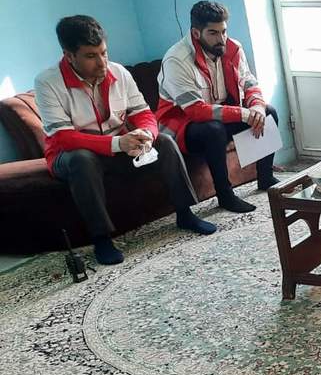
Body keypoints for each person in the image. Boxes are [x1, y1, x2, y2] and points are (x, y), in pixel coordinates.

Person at [34, 15, 215, 265]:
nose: (102, 63)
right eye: (91, 56)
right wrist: (119, 143)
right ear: (69, 56)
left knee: (164, 142)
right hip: (68, 154)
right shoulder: (47, 82)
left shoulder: (118, 72)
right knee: (82, 159)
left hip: (116, 145)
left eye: (104, 53)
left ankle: (185, 213)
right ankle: (101, 238)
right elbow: (63, 138)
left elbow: (143, 114)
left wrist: (146, 135)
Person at [157, 0, 280, 214]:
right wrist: (243, 114)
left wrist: (257, 107)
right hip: (182, 126)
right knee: (213, 129)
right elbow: (195, 110)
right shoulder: (176, 60)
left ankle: (265, 177)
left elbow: (249, 83)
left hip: (218, 115)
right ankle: (225, 195)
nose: (221, 39)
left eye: (223, 31)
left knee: (268, 112)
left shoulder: (233, 48)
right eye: (213, 33)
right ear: (196, 33)